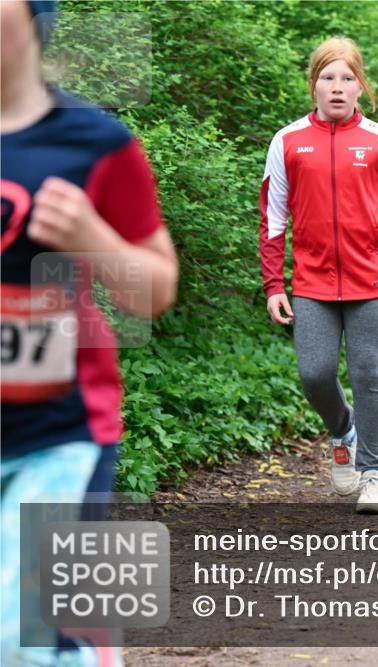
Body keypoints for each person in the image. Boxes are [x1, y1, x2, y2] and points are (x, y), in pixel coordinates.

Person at [1, 1, 179, 664]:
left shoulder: (95, 142)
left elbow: (155, 290)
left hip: (59, 434)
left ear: (33, 17)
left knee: (20, 637)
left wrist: (92, 237)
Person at [259, 36, 378, 513]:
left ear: (360, 87)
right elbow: (272, 219)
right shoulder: (287, 141)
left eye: (347, 78)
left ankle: (374, 474)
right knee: (315, 374)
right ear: (313, 85)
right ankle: (341, 430)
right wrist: (274, 283)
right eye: (327, 78)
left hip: (372, 280)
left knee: (368, 372)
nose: (337, 87)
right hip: (311, 282)